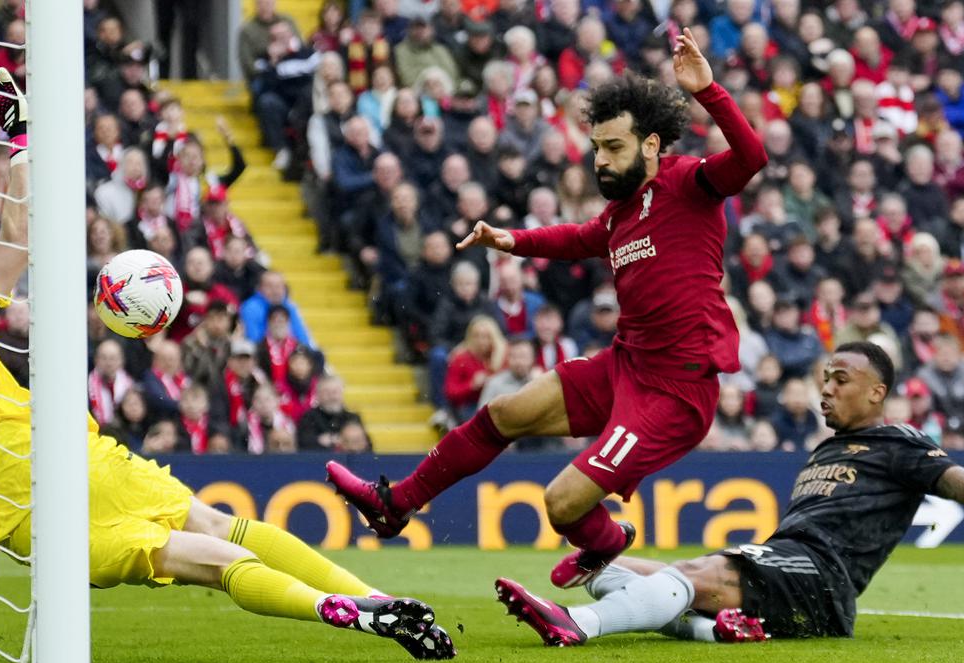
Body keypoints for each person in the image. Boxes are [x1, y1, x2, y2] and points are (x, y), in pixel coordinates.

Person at [0, 66, 454, 661]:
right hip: (77, 465)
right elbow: (16, 234)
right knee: (223, 527)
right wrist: (20, 136)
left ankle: (339, 609)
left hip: (37, 528)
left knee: (205, 560)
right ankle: (369, 596)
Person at [327, 29, 768, 589]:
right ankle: (398, 503)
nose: (600, 162)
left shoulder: (691, 185)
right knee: (507, 412)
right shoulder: (618, 216)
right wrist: (512, 240)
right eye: (596, 149)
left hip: (675, 392)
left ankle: (605, 542)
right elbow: (577, 236)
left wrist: (709, 91)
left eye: (614, 149)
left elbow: (752, 156)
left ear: (652, 145)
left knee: (561, 505)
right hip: (626, 366)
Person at [494, 342, 964, 645]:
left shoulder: (901, 443)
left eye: (840, 379)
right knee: (615, 572)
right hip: (787, 563)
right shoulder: (825, 450)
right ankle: (718, 632)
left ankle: (577, 626)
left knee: (687, 577)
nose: (826, 388)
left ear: (877, 392)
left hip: (824, 581)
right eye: (824, 378)